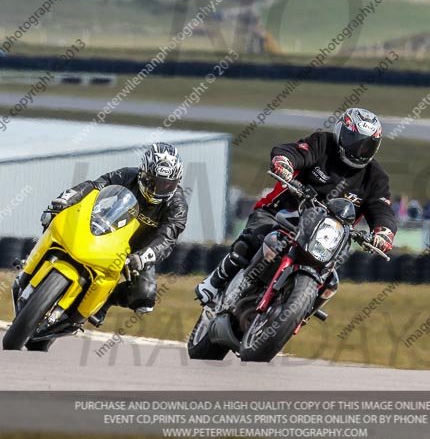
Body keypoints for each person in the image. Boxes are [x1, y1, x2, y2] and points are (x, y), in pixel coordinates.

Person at [196, 107, 397, 305]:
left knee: (330, 283)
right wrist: (284, 163)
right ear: (341, 134)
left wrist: (384, 233)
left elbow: (382, 209)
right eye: (355, 142)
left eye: (366, 145)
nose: (359, 150)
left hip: (327, 238)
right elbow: (294, 152)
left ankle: (299, 311)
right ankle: (215, 282)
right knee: (257, 237)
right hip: (284, 214)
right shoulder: (323, 144)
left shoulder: (375, 177)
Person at [40, 142, 188, 325]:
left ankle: (103, 303)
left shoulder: (178, 206)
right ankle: (38, 261)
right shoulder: (127, 175)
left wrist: (144, 257)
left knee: (145, 298)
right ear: (143, 173)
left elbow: (168, 238)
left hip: (139, 249)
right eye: (153, 181)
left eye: (166, 185)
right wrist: (66, 199)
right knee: (53, 219)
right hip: (108, 227)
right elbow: (95, 186)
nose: (158, 190)